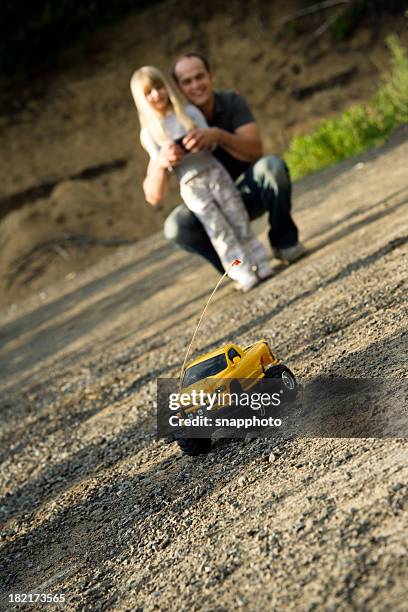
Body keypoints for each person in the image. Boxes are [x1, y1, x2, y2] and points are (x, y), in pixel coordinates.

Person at [142, 52, 305, 274]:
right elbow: (153, 196)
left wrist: (218, 136)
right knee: (176, 227)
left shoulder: (230, 101)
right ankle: (237, 268)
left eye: (200, 77)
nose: (196, 85)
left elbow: (256, 151)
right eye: (187, 82)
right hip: (206, 202)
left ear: (211, 76)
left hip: (243, 192)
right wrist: (161, 163)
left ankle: (284, 244)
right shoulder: (165, 125)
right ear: (177, 88)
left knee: (272, 168)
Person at [130, 65, 274, 292]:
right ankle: (241, 270)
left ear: (167, 87)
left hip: (214, 171)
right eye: (149, 92)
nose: (156, 95)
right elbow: (157, 163)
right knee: (220, 231)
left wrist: (202, 140)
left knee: (238, 219)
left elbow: (213, 141)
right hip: (191, 184)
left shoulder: (188, 113)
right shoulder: (149, 132)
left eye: (159, 87)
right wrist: (166, 159)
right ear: (142, 100)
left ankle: (260, 261)